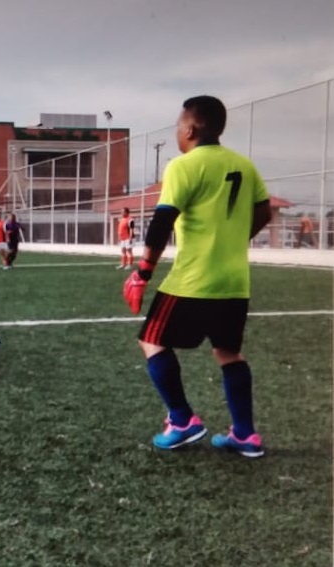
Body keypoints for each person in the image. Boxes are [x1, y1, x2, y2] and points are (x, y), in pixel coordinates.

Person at [123, 95, 272, 458]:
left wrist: (142, 273)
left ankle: (181, 420)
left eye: (178, 126)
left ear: (190, 129)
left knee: (151, 341)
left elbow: (161, 223)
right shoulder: (245, 165)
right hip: (234, 282)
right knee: (228, 352)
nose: (177, 132)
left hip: (192, 280)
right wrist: (234, 240)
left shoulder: (183, 166)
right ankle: (245, 434)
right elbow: (265, 213)